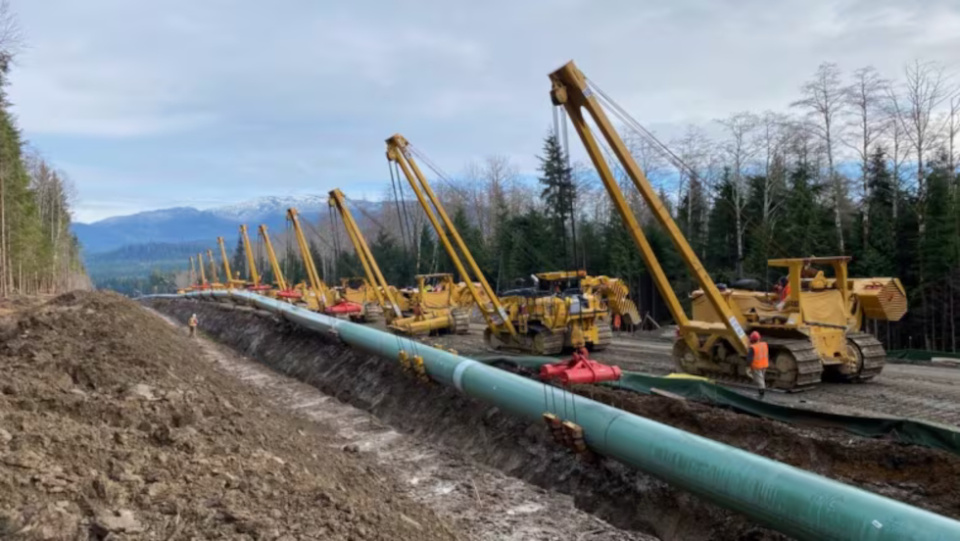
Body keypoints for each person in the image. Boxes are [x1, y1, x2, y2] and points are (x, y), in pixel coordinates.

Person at [746, 331, 769, 398]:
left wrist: (748, 366)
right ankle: (762, 390)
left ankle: (761, 394)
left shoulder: (753, 348)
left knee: (759, 380)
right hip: (764, 365)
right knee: (761, 378)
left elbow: (749, 358)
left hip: (757, 366)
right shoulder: (764, 344)